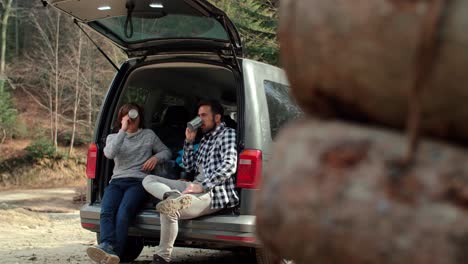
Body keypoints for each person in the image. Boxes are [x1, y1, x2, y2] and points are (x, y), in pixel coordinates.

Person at [142, 100, 238, 263]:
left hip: (213, 192)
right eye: (198, 116)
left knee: (169, 210)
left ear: (217, 118)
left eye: (203, 115)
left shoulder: (227, 133)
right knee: (148, 179)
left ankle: (162, 257)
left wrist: (202, 186)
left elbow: (230, 165)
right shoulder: (205, 138)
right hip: (192, 185)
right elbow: (188, 165)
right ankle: (171, 196)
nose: (199, 120)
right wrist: (189, 141)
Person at [87, 103, 171, 264]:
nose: (132, 119)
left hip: (139, 181)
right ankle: (106, 244)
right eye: (127, 116)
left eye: (135, 116)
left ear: (140, 118)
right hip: (117, 181)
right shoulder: (114, 137)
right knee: (106, 211)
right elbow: (109, 154)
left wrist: (155, 158)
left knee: (124, 212)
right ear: (121, 118)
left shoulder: (148, 135)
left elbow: (166, 151)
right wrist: (122, 130)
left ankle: (115, 253)